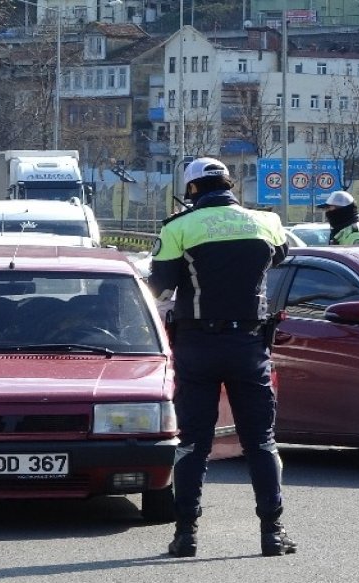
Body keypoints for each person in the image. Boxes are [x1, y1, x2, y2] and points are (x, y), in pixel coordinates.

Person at [147, 157, 297, 558]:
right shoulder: (266, 222)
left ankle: (185, 535)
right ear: (230, 185)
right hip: (249, 344)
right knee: (261, 442)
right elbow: (278, 258)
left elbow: (159, 288)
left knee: (193, 442)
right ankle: (272, 532)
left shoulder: (178, 227)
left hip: (197, 346)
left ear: (193, 189)